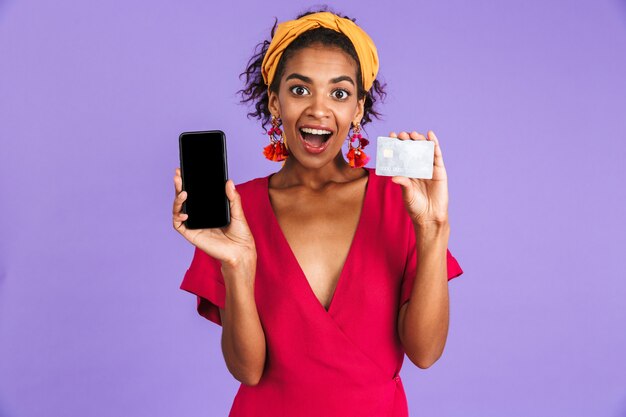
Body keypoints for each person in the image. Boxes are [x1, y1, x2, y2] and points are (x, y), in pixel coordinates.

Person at [172, 8, 463, 417]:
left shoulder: (400, 198)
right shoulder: (239, 210)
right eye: (299, 90)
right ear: (275, 102)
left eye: (340, 93)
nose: (319, 110)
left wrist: (433, 230)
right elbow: (247, 370)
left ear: (359, 109)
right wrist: (237, 264)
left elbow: (425, 352)